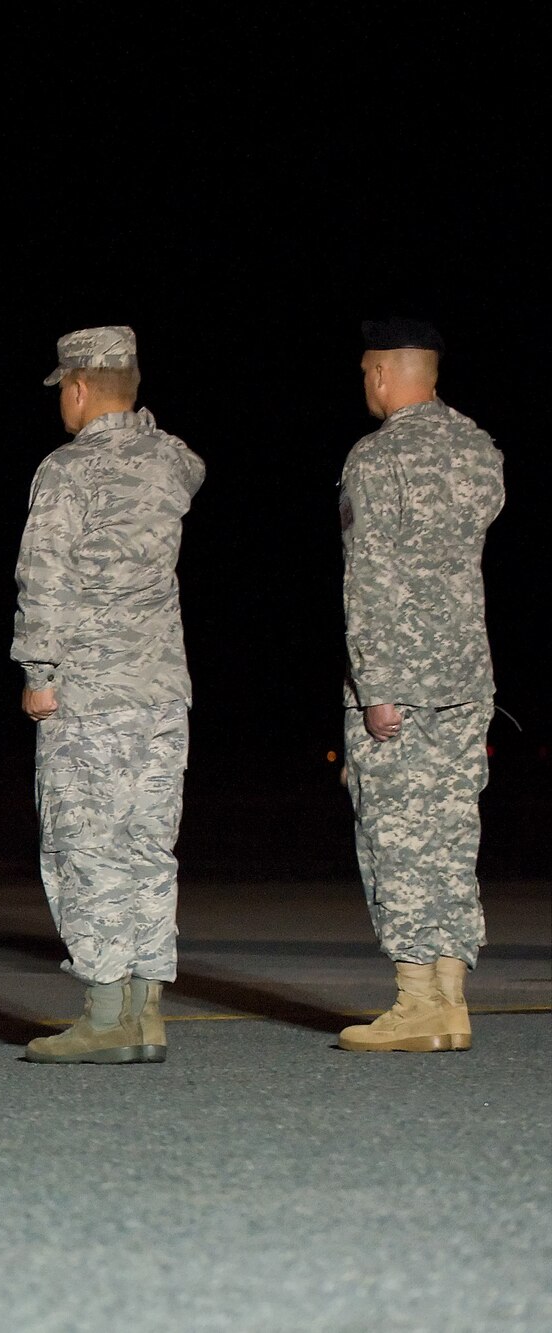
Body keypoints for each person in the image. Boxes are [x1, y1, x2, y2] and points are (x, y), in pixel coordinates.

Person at [12, 326, 204, 1065]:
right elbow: (190, 464)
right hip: (159, 690)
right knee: (148, 849)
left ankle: (103, 1012)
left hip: (89, 692)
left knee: (85, 847)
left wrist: (39, 671)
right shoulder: (168, 462)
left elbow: (45, 577)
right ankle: (146, 1009)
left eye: (64, 385)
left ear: (81, 388)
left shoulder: (67, 471)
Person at [335, 318, 504, 1054]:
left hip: (398, 681)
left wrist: (374, 682)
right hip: (465, 675)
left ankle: (414, 1003)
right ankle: (452, 1001)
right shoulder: (479, 450)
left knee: (398, 839)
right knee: (451, 835)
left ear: (379, 373)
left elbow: (368, 576)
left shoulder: (377, 458)